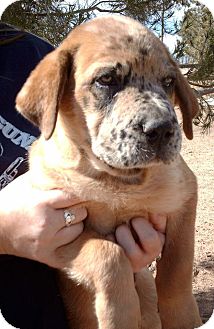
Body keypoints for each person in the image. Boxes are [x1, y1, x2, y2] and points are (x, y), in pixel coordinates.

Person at [0, 23, 166, 329]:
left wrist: (124, 229)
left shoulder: (30, 53)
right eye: (108, 81)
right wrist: (4, 230)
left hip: (58, 297)